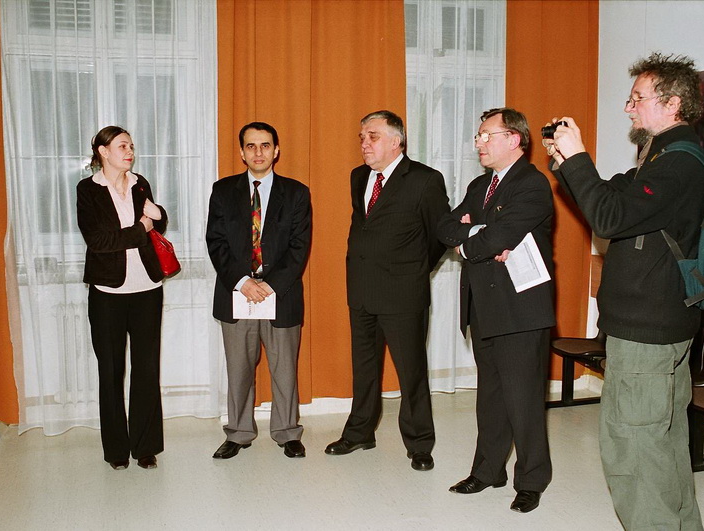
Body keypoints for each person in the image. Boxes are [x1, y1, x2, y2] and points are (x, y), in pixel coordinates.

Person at [544, 52, 704, 530]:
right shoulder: (666, 158)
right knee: (664, 446)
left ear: (672, 104)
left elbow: (608, 219)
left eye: (638, 98)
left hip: (647, 332)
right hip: (660, 325)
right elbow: (607, 197)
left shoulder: (678, 165)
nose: (628, 108)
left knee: (635, 452)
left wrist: (578, 156)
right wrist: (566, 162)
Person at [437, 107, 555, 513]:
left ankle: (532, 480)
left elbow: (498, 236)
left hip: (520, 309)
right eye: (478, 136)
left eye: (487, 135)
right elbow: (446, 227)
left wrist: (476, 237)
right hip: (484, 305)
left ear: (514, 139)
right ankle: (488, 471)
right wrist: (476, 230)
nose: (479, 143)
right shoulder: (479, 185)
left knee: (524, 401)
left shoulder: (532, 184)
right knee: (490, 397)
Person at [325, 110, 450, 471]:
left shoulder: (425, 179)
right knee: (364, 368)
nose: (364, 143)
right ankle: (360, 432)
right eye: (362, 137)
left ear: (396, 141)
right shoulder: (358, 176)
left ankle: (420, 443)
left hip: (403, 294)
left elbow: (440, 235)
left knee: (411, 372)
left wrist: (415, 269)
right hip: (362, 289)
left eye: (373, 136)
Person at [207, 122, 311, 460]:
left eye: (265, 145)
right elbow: (216, 242)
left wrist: (269, 285)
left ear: (276, 150)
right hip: (236, 293)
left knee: (284, 370)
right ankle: (238, 433)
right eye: (251, 146)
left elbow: (299, 247)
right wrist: (243, 282)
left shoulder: (296, 193)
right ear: (241, 152)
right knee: (239, 370)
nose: (258, 152)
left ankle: (287, 432)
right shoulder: (223, 191)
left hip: (281, 294)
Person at [77, 126, 168, 470]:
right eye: (122, 146)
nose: (130, 151)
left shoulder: (140, 183)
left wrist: (159, 216)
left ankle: (146, 447)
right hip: (108, 293)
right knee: (111, 371)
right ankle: (116, 450)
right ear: (103, 151)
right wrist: (141, 228)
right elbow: (99, 241)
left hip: (148, 289)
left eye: (131, 145)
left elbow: (156, 225)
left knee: (146, 370)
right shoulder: (88, 189)